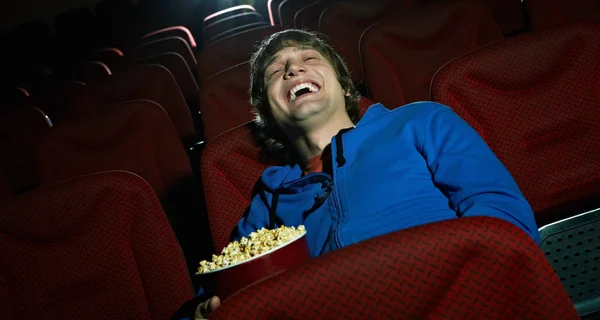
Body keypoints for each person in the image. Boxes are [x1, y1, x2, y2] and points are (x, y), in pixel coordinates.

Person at [182, 29, 541, 319]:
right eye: (276, 72)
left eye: (309, 59)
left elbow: (502, 216)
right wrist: (202, 312)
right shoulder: (269, 199)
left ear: (345, 86)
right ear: (266, 112)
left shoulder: (421, 121)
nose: (293, 70)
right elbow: (222, 288)